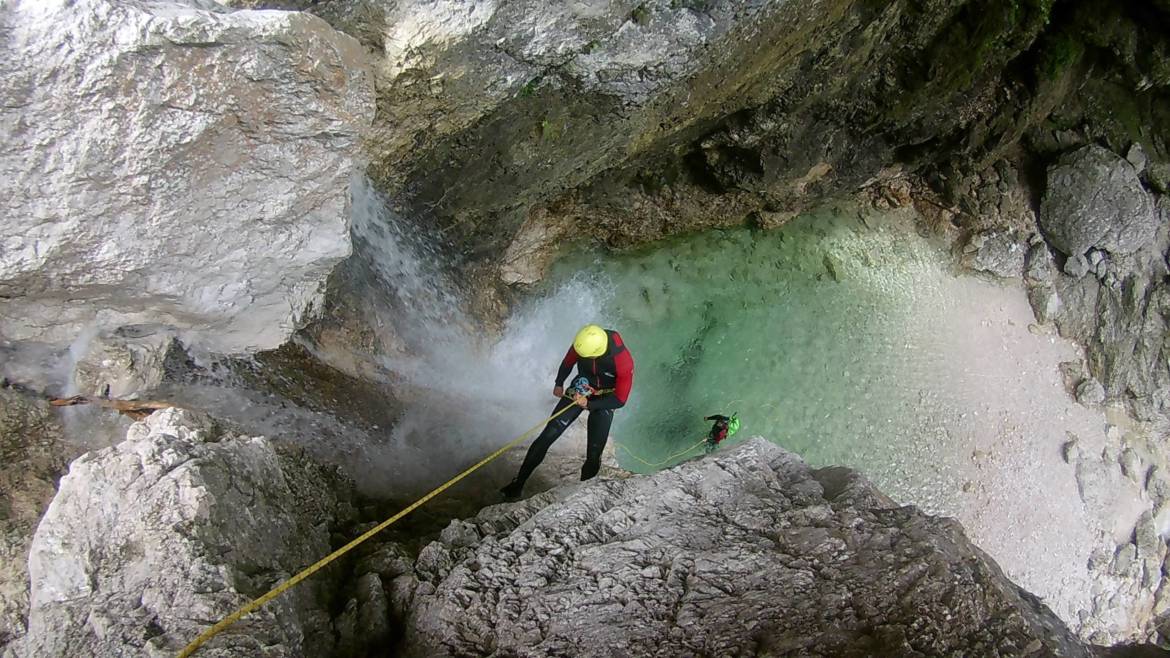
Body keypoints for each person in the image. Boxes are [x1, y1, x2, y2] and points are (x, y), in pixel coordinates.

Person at [500, 324, 634, 499]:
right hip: (581, 387)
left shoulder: (623, 360)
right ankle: (517, 484)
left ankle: (580, 496)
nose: (582, 357)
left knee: (594, 454)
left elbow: (620, 400)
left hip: (604, 399)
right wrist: (559, 383)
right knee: (547, 436)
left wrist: (590, 405)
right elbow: (568, 362)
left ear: (597, 352)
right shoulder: (583, 343)